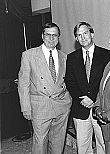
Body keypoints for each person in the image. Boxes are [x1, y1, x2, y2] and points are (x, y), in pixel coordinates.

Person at [18, 22, 72, 154]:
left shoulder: (64, 57)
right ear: (42, 36)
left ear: (59, 37)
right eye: (48, 35)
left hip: (61, 105)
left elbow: (68, 81)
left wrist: (68, 100)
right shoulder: (29, 55)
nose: (51, 38)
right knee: (40, 142)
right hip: (40, 106)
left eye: (55, 35)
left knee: (59, 141)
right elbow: (23, 83)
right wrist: (26, 107)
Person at [65, 21, 110, 154]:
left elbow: (107, 81)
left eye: (85, 33)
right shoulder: (71, 58)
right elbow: (70, 81)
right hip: (80, 108)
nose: (83, 37)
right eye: (79, 35)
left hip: (100, 107)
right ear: (76, 38)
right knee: (83, 146)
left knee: (103, 144)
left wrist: (92, 99)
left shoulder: (107, 55)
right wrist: (83, 99)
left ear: (92, 34)